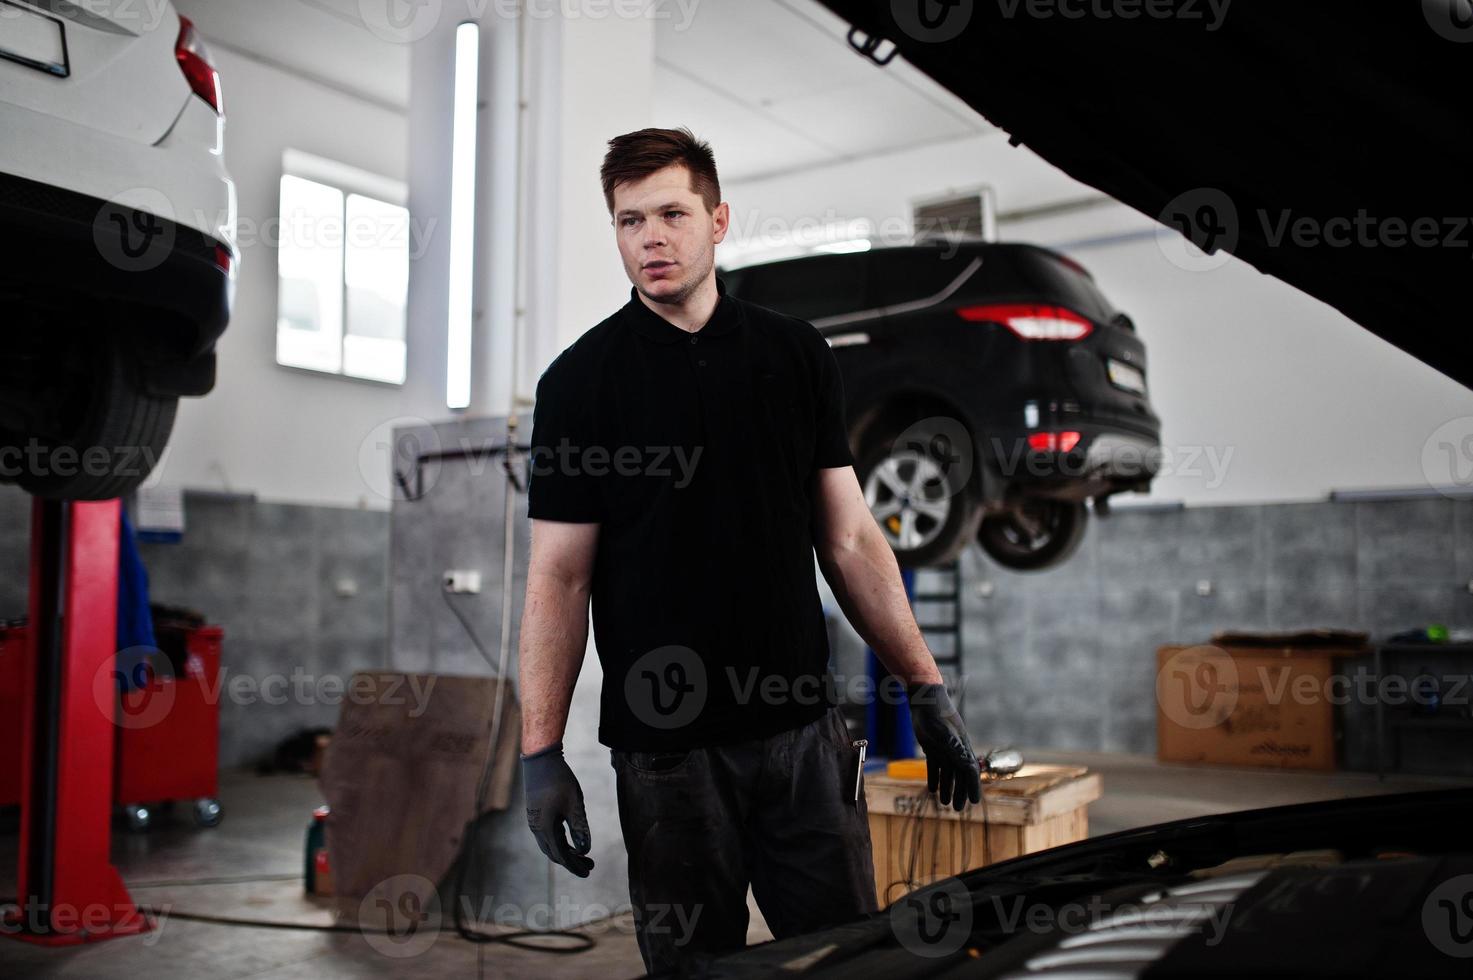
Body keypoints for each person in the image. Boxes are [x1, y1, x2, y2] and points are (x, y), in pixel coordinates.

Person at [517, 126, 980, 976]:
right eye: (628, 221)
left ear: (718, 220)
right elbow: (559, 575)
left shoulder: (793, 355)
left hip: (801, 736)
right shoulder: (579, 384)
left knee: (848, 957)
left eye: (670, 213)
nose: (650, 237)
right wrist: (539, 753)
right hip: (666, 755)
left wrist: (924, 683)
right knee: (694, 966)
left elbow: (846, 536)